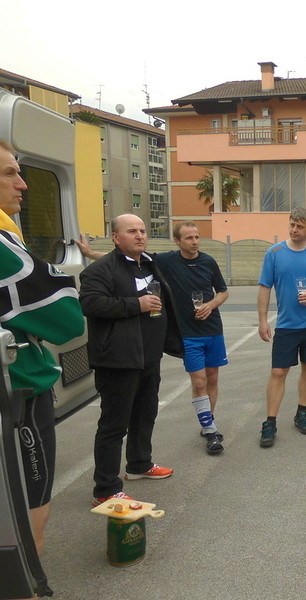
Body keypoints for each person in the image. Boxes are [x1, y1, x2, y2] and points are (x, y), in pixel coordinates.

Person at [0, 140, 85, 577]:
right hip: (19, 397)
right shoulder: (4, 248)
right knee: (27, 521)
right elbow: (67, 317)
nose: (24, 184)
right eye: (9, 173)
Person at [77, 222, 230, 455]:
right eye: (189, 238)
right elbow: (124, 260)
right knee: (199, 382)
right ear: (177, 241)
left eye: (197, 237)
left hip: (212, 328)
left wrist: (210, 305)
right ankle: (210, 429)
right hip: (187, 333)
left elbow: (223, 291)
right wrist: (89, 253)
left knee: (212, 378)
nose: (195, 242)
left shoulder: (208, 261)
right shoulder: (166, 261)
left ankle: (209, 419)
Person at [79, 213, 181, 506]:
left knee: (145, 414)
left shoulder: (149, 263)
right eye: (132, 231)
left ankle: (139, 464)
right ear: (116, 237)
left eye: (142, 230)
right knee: (114, 426)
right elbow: (90, 303)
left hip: (149, 358)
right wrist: (136, 304)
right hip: (117, 361)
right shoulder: (100, 270)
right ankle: (106, 488)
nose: (139, 235)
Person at [257, 207, 306, 448]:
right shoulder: (275, 253)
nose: (294, 229)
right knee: (278, 372)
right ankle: (270, 421)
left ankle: (302, 412)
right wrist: (263, 320)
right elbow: (264, 287)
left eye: (300, 226)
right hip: (287, 325)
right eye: (292, 224)